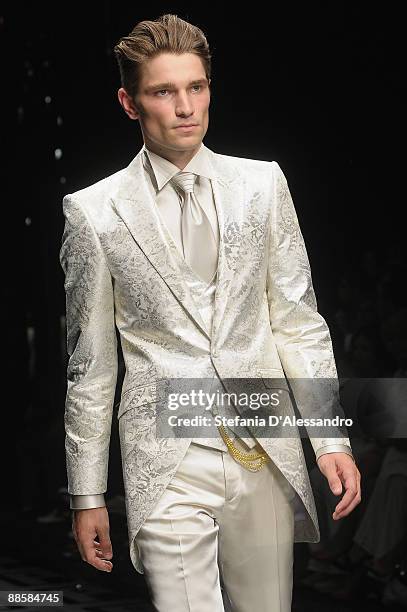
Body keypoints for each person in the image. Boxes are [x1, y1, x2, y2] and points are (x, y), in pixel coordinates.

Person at [59, 13, 361, 612]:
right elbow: (90, 366)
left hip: (262, 446)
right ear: (129, 102)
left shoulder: (262, 185)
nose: (184, 107)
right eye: (163, 91)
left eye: (196, 87)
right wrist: (86, 492)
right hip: (166, 456)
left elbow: (298, 321)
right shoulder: (93, 213)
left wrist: (331, 437)